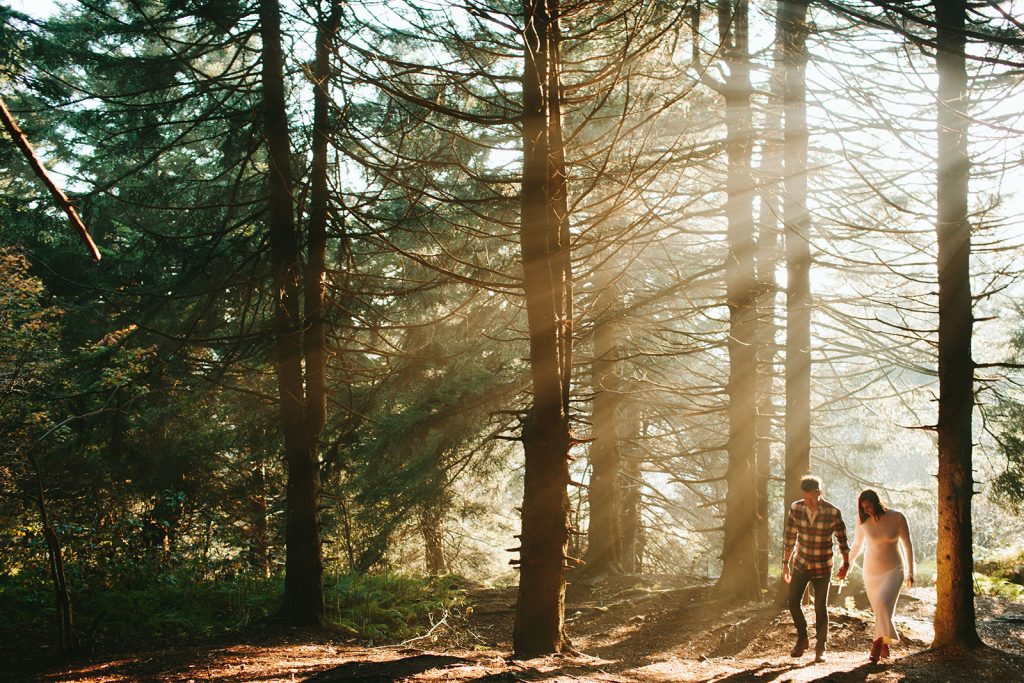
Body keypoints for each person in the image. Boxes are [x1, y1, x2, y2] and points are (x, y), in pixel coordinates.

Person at [782, 475, 850, 663]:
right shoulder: (796, 508)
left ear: (819, 493)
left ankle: (821, 647)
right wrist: (785, 564)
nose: (807, 501)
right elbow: (789, 538)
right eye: (805, 497)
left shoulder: (832, 512)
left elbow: (842, 540)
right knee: (793, 601)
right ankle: (802, 638)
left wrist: (845, 564)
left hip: (823, 566)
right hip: (801, 563)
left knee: (820, 606)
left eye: (810, 497)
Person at [848, 489, 915, 663]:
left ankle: (877, 643)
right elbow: (856, 545)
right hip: (871, 572)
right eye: (864, 508)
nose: (867, 510)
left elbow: (907, 546)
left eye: (869, 506)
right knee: (880, 610)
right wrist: (846, 564)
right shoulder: (863, 520)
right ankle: (885, 642)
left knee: (883, 603)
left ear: (876, 503)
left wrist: (910, 572)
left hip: (894, 570)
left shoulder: (897, 517)